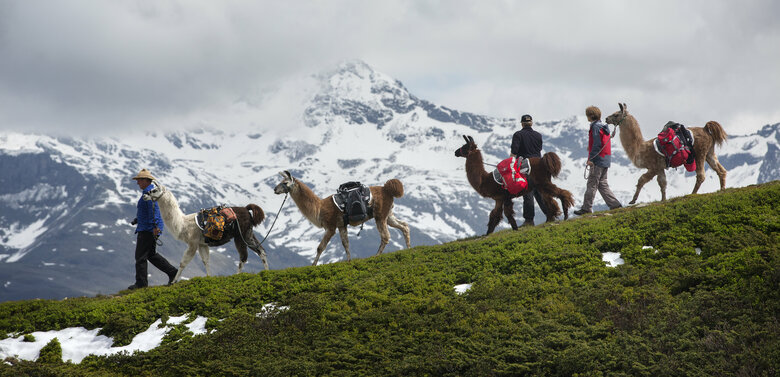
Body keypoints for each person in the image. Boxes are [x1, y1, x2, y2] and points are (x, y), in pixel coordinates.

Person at [127, 169, 178, 290]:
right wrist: (137, 219)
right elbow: (150, 211)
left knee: (140, 257)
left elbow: (154, 211)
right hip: (148, 227)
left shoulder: (149, 194)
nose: (137, 183)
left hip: (147, 229)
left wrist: (155, 227)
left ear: (145, 181)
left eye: (139, 180)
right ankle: (173, 272)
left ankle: (141, 284)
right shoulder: (150, 192)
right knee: (151, 255)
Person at [574, 106, 622, 215]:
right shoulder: (603, 127)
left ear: (590, 116)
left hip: (598, 159)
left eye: (587, 115)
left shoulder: (595, 127)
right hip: (606, 158)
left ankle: (586, 208)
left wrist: (591, 158)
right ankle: (615, 205)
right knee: (602, 183)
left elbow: (596, 143)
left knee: (592, 183)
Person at [510, 114, 549, 226]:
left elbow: (514, 152)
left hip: (525, 166)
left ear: (522, 123)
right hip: (540, 165)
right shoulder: (538, 135)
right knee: (540, 192)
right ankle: (550, 214)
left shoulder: (518, 135)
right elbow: (539, 149)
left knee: (528, 193)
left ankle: (529, 220)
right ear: (531, 123)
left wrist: (510, 164)